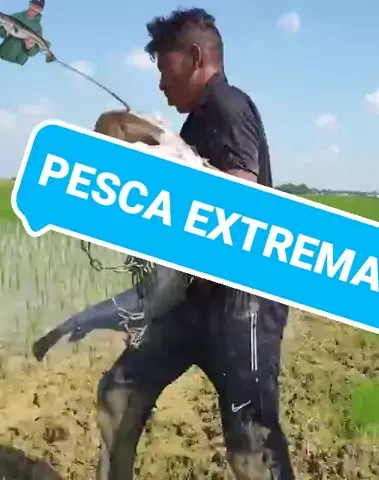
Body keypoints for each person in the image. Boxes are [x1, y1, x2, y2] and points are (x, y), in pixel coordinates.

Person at [95, 8, 295, 480]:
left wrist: (172, 162)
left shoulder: (228, 106)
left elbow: (240, 198)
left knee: (252, 442)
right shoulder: (193, 125)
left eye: (165, 67)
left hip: (242, 305)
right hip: (193, 300)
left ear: (195, 57)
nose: (161, 84)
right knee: (118, 394)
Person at [0, 0, 45, 66]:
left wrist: (29, 47)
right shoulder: (16, 16)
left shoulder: (38, 28)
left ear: (41, 10)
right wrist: (5, 29)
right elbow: (1, 33)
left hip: (18, 64)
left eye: (38, 7)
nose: (35, 8)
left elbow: (33, 53)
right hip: (2, 57)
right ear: (30, 4)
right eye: (34, 5)